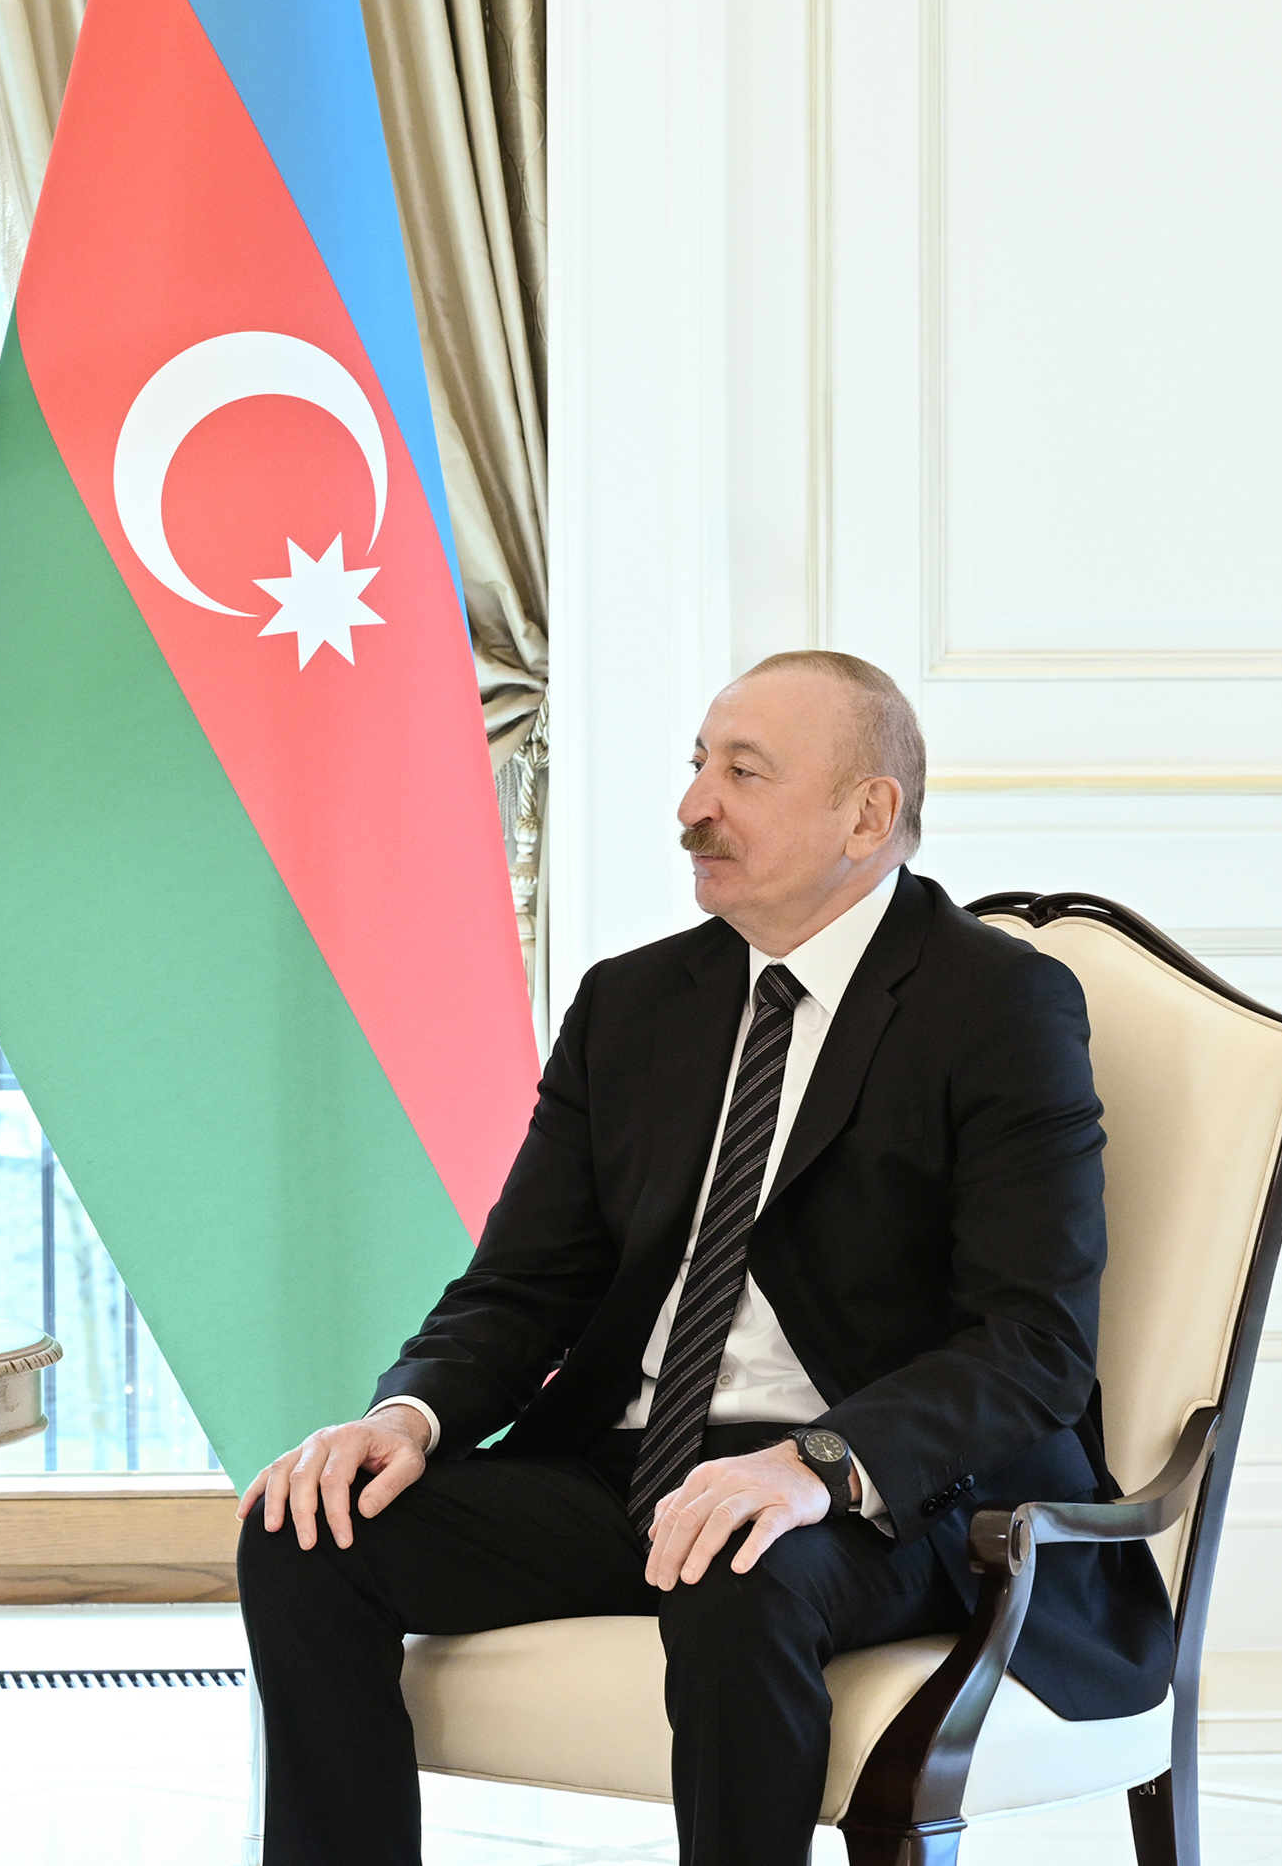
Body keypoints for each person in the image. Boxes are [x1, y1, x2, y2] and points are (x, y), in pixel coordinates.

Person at [234, 650, 1172, 1866]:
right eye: (696, 765)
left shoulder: (996, 1003)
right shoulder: (631, 1004)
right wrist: (406, 1415)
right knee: (307, 1534)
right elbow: (522, 1286)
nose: (692, 806)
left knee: (736, 1565)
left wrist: (817, 1463)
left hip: (883, 1493)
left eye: (743, 772)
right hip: (631, 1465)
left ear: (867, 815)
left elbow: (1032, 1343)